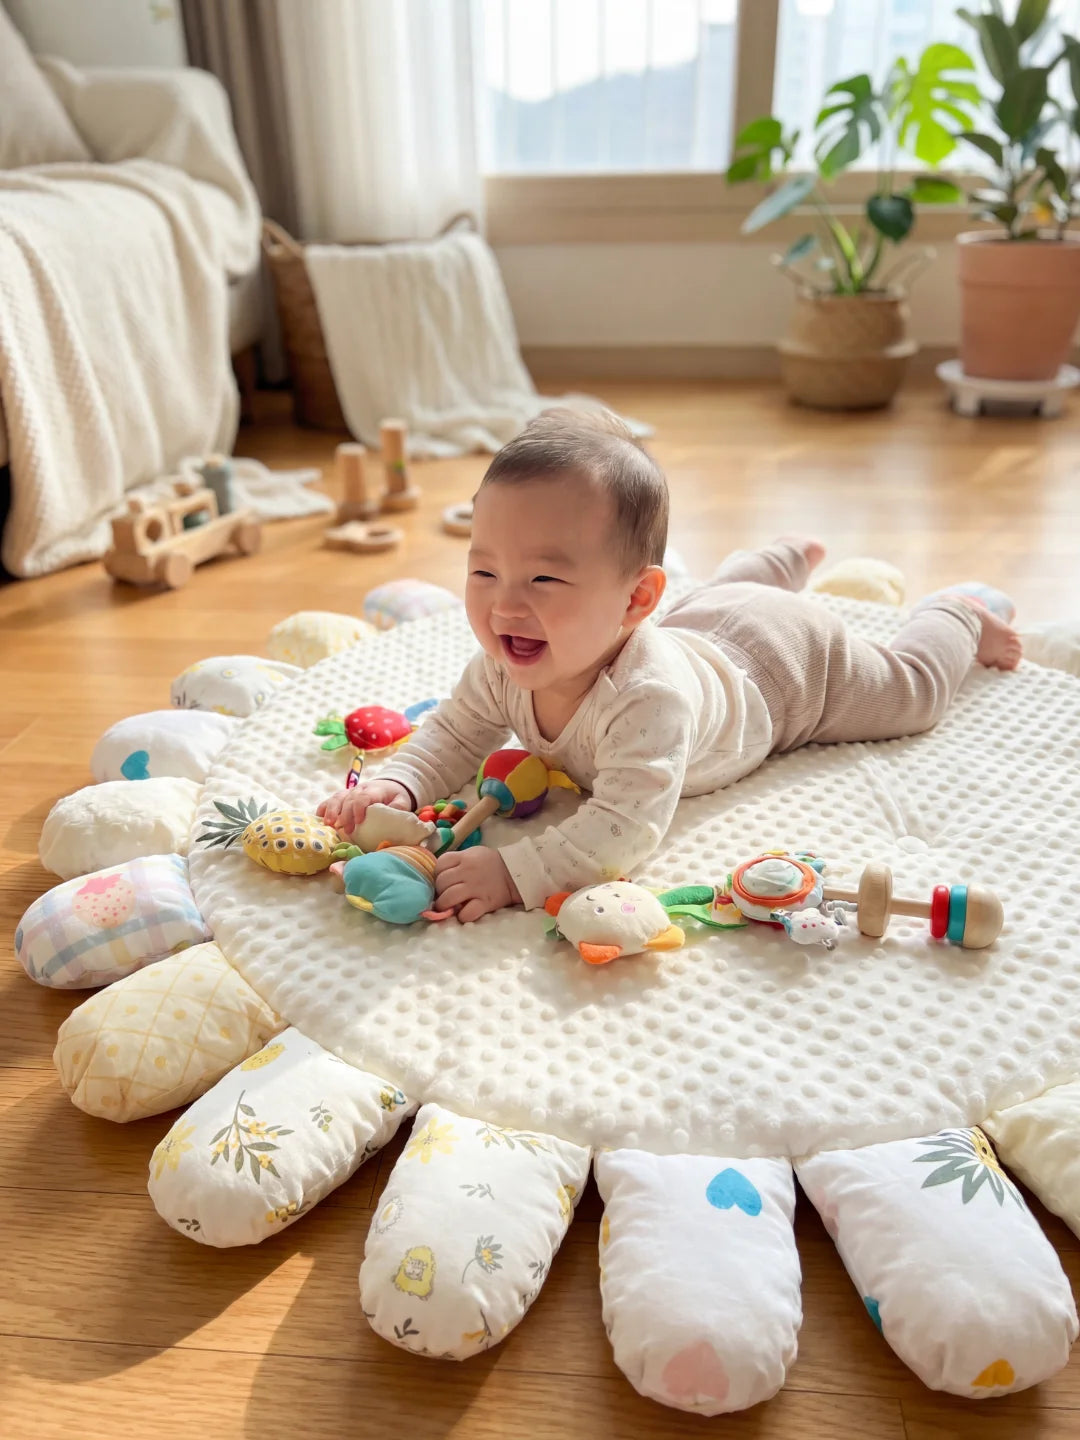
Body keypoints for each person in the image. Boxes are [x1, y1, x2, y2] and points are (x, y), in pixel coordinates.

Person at [318, 408, 1021, 923]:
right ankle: (773, 564)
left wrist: (512, 871)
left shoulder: (648, 702)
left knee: (915, 696)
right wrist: (402, 787)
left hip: (789, 670)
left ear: (634, 601)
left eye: (544, 581)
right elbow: (457, 731)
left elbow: (625, 826)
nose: (504, 608)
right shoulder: (509, 657)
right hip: (701, 620)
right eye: (483, 571)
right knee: (714, 599)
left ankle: (954, 616)